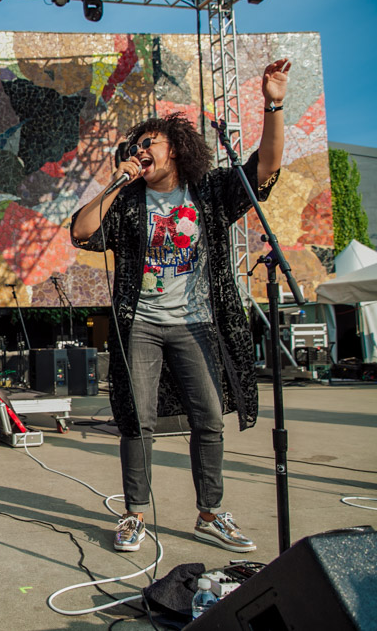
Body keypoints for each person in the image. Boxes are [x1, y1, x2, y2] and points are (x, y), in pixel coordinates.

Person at [69, 59, 291, 554]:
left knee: (208, 418)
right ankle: (134, 515)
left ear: (176, 148)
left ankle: (209, 514)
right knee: (138, 419)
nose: (141, 150)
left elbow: (268, 166)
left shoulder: (209, 192)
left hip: (197, 324)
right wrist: (116, 183)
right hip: (142, 324)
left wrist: (273, 103)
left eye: (149, 143)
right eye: (136, 146)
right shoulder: (127, 201)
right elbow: (82, 232)